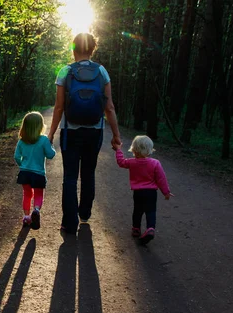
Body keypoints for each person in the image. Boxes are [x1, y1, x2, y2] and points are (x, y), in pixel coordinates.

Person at [47, 32, 122, 234]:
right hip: (94, 132)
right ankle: (85, 214)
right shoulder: (102, 72)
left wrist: (51, 133)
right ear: (92, 49)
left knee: (70, 176)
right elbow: (110, 107)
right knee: (88, 174)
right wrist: (116, 135)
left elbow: (58, 107)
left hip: (70, 133)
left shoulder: (65, 71)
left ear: (73, 48)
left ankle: (69, 223)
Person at [114, 135, 173, 244]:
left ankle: (136, 229)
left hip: (138, 193)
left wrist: (118, 150)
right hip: (151, 193)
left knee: (137, 211)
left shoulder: (132, 162)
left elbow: (121, 162)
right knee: (151, 211)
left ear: (134, 149)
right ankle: (150, 229)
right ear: (150, 149)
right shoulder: (155, 163)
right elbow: (161, 179)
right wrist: (166, 192)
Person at [14, 111, 56, 229]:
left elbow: (17, 156)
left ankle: (27, 217)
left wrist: (22, 165)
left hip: (25, 173)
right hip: (38, 174)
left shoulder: (22, 141)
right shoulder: (43, 140)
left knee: (27, 194)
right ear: (40, 126)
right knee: (38, 193)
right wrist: (51, 145)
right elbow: (50, 155)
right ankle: (36, 210)